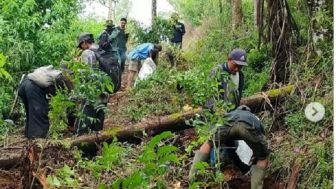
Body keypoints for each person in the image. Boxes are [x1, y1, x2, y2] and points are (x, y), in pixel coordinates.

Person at [189, 105, 269, 189]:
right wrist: (259, 155)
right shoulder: (253, 117)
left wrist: (243, 168)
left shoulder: (230, 114)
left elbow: (229, 149)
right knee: (263, 157)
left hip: (227, 125)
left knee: (208, 143)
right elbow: (260, 138)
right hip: (247, 126)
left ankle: (193, 177)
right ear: (249, 112)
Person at [18, 65, 73, 139]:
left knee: (32, 113)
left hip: (23, 85)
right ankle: (38, 140)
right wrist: (71, 123)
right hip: (32, 88)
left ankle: (30, 136)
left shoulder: (52, 73)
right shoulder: (63, 78)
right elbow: (71, 102)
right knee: (39, 113)